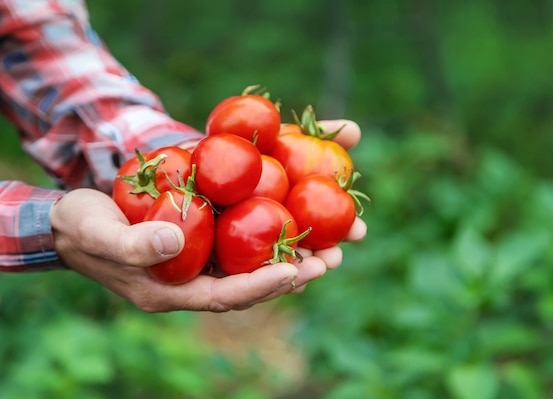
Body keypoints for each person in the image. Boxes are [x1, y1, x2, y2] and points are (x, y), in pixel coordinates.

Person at [0, 0, 366, 312]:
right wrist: (52, 227)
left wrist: (174, 150)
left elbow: (38, 45)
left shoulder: (183, 177)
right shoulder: (201, 189)